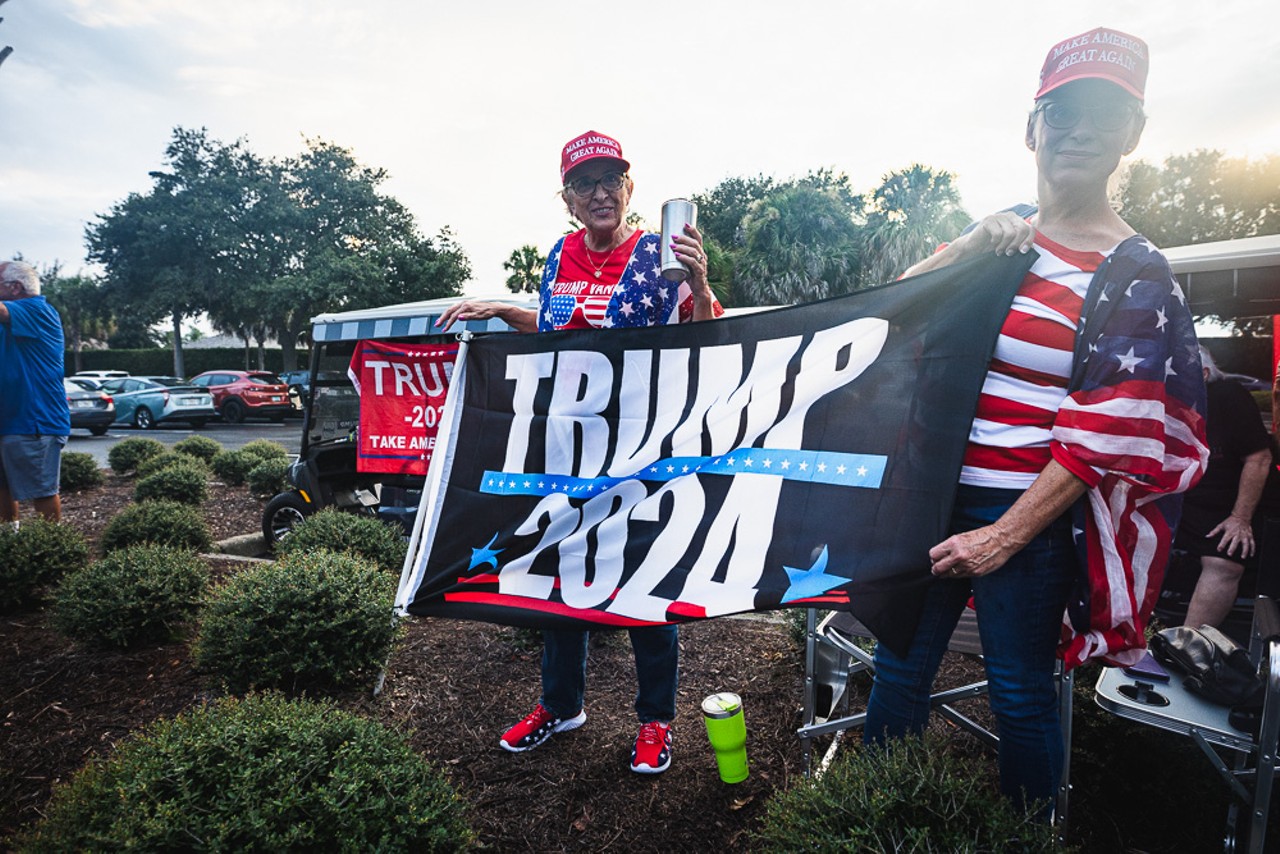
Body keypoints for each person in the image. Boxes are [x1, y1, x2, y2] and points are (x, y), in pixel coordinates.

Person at [862, 28, 1207, 816]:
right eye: (1063, 111)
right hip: (934, 496)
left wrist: (1003, 537)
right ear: (1032, 127)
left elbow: (1105, 434)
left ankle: (1027, 835)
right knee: (900, 668)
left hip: (1029, 516)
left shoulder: (1136, 271)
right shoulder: (1004, 229)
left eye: (1104, 113)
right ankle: (865, 819)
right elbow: (891, 313)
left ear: (1132, 134)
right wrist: (972, 245)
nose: (1080, 129)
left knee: (1019, 692)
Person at [437, 130, 723, 774]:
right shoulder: (560, 255)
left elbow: (710, 344)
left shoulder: (662, 256)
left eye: (610, 180)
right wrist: (506, 312)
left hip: (646, 452)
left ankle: (655, 722)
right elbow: (558, 331)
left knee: (648, 586)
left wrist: (700, 286)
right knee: (558, 577)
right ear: (566, 198)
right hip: (569, 452)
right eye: (585, 183)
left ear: (630, 188)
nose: (600, 193)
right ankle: (561, 706)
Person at [1175, 347, 1275, 627]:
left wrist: (1240, 519)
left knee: (1224, 560)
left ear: (1204, 374)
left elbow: (1259, 458)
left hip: (1231, 501)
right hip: (1187, 498)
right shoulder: (1165, 402)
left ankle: (1187, 646)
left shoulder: (1228, 396)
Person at [0, 260, 71, 524]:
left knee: (42, 492)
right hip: (8, 420)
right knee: (3, 488)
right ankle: (10, 543)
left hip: (34, 421)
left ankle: (53, 549)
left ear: (15, 287)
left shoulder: (38, 311)